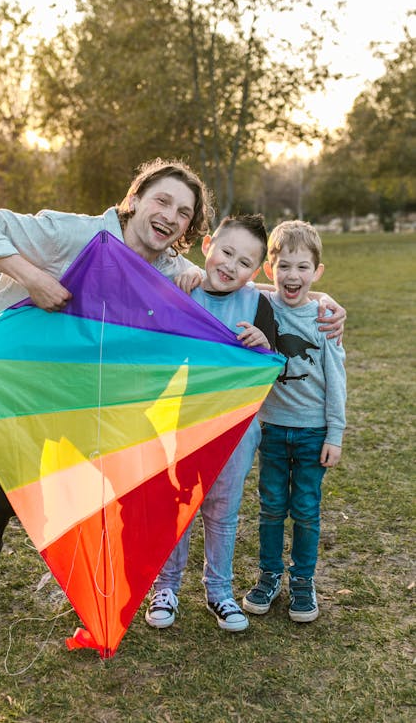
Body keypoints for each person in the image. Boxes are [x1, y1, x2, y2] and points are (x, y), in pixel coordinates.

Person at [0, 157, 213, 619]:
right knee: (1, 493)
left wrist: (316, 301)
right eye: (163, 201)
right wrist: (34, 279)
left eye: (184, 212)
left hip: (66, 388)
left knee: (115, 475)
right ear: (134, 200)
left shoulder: (169, 265)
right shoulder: (72, 234)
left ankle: (101, 578)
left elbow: (238, 283)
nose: (171, 216)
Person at [145, 214, 275, 632]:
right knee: (177, 506)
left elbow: (277, 363)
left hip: (237, 430)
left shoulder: (258, 304)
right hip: (183, 423)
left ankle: (219, 591)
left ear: (254, 272)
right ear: (207, 247)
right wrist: (177, 289)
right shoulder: (185, 290)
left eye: (243, 262)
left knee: (223, 511)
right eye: (226, 252)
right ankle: (166, 586)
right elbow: (155, 351)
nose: (230, 265)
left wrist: (265, 343)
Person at [242, 220, 346, 623]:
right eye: (284, 266)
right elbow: (236, 283)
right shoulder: (259, 305)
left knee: (305, 508)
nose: (293, 275)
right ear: (270, 269)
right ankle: (268, 575)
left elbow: (336, 380)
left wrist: (334, 434)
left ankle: (302, 579)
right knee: (270, 506)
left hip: (312, 432)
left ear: (317, 272)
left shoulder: (324, 318)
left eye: (303, 267)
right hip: (271, 428)